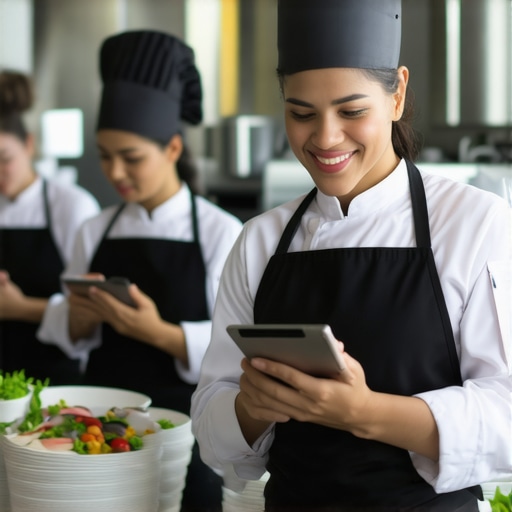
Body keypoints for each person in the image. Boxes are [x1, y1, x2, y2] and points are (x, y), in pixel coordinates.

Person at [190, 1, 512, 511]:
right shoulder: (259, 241)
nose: (325, 138)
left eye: (352, 111)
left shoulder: (475, 223)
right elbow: (212, 431)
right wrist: (251, 407)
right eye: (301, 113)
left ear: (397, 93)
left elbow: (506, 418)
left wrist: (364, 412)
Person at [37, 30, 243, 511]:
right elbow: (73, 338)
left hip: (187, 425)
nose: (115, 173)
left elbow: (236, 343)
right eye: (105, 157)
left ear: (173, 149)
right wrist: (81, 318)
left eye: (131, 158)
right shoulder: (93, 230)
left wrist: (157, 332)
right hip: (104, 423)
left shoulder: (221, 231)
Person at [0, 69, 100, 384]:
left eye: (4, 158)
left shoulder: (72, 206)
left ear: (29, 145)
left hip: (53, 378)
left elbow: (89, 311)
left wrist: (19, 308)